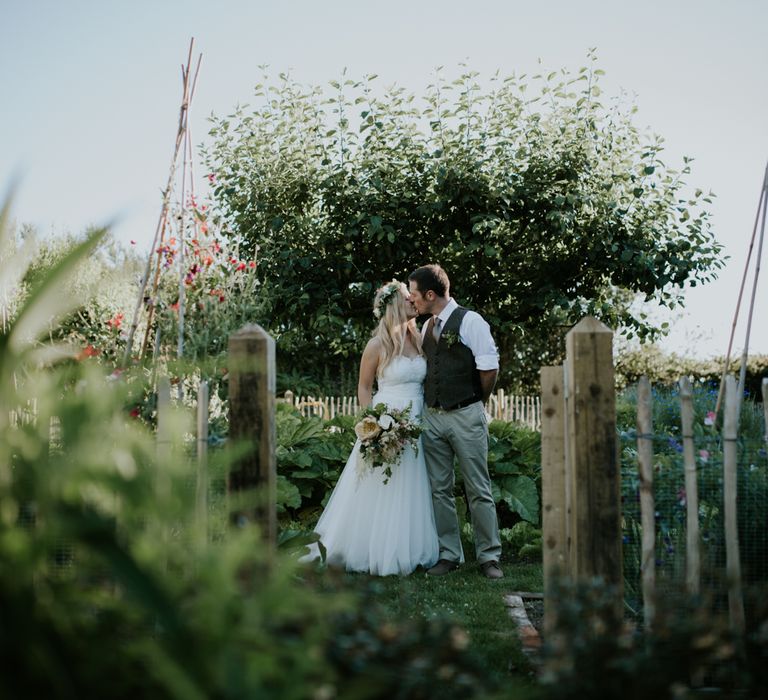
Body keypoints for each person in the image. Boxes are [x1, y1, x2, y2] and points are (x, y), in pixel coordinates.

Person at [302, 281, 439, 575]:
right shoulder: (377, 345)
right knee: (379, 486)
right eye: (407, 298)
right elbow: (364, 388)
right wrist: (373, 425)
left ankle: (408, 547)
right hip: (387, 420)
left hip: (416, 421)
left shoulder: (420, 338)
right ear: (393, 306)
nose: (414, 301)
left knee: (411, 485)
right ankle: (371, 547)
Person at [407, 264, 504, 579]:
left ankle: (489, 557)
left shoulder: (471, 321)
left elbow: (488, 369)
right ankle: (449, 554)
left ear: (431, 294)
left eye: (416, 296)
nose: (413, 302)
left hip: (465, 414)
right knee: (440, 489)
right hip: (432, 417)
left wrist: (475, 402)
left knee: (478, 487)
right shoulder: (426, 327)